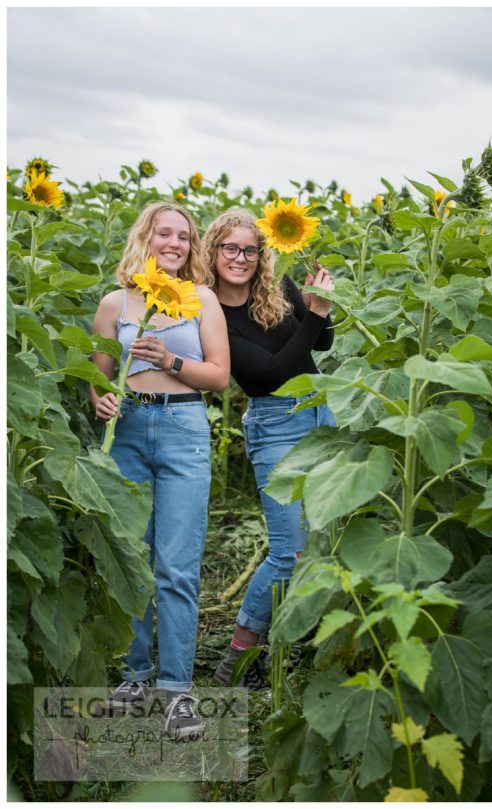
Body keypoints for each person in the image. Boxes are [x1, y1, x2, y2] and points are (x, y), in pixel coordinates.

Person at [91, 202, 230, 739]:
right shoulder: (115, 302)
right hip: (127, 432)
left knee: (175, 564)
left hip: (183, 430)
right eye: (163, 233)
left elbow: (219, 376)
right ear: (144, 238)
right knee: (133, 558)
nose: (174, 243)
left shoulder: (203, 299)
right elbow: (99, 376)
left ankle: (176, 689)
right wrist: (101, 400)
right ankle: (134, 675)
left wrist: (169, 360)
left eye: (183, 237)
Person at [200, 208, 336, 687]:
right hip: (276, 424)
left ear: (262, 255)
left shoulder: (277, 290)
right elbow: (268, 376)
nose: (240, 258)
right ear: (213, 251)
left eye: (249, 250)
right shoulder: (211, 310)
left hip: (321, 412)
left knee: (324, 539)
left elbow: (322, 343)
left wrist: (318, 304)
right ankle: (237, 658)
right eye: (229, 248)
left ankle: (308, 640)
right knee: (289, 551)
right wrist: (314, 316)